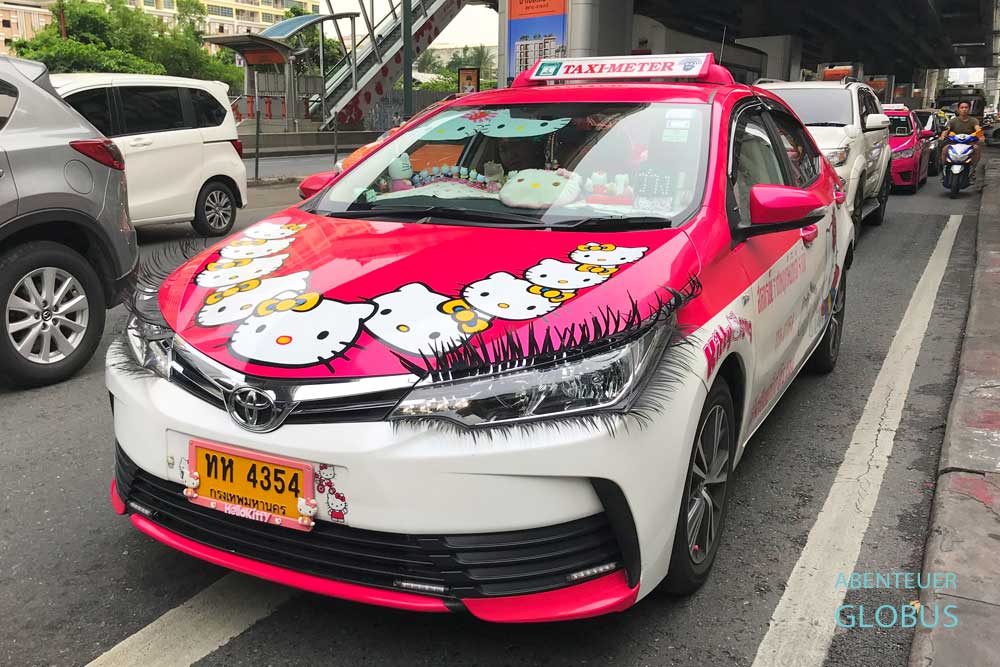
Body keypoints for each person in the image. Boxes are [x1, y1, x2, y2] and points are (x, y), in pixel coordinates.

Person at [940, 101, 982, 180]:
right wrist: (943, 136)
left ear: (969, 109)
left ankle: (973, 169)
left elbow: (978, 129)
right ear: (958, 109)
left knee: (977, 148)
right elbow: (946, 130)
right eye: (962, 107)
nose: (964, 109)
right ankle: (944, 168)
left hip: (969, 143)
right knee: (944, 149)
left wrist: (981, 137)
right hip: (954, 143)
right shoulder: (953, 121)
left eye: (966, 107)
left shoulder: (974, 120)